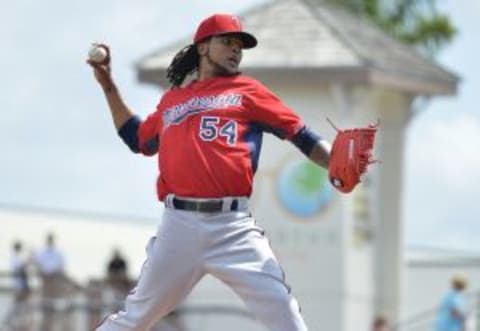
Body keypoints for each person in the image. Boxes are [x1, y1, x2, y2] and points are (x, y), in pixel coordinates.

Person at [88, 13, 331, 331]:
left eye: (239, 46)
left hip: (233, 228)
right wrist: (108, 86)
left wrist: (334, 159)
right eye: (227, 41)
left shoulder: (248, 91)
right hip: (179, 226)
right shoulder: (173, 101)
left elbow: (302, 136)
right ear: (203, 47)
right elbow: (138, 139)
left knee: (286, 317)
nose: (235, 50)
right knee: (134, 319)